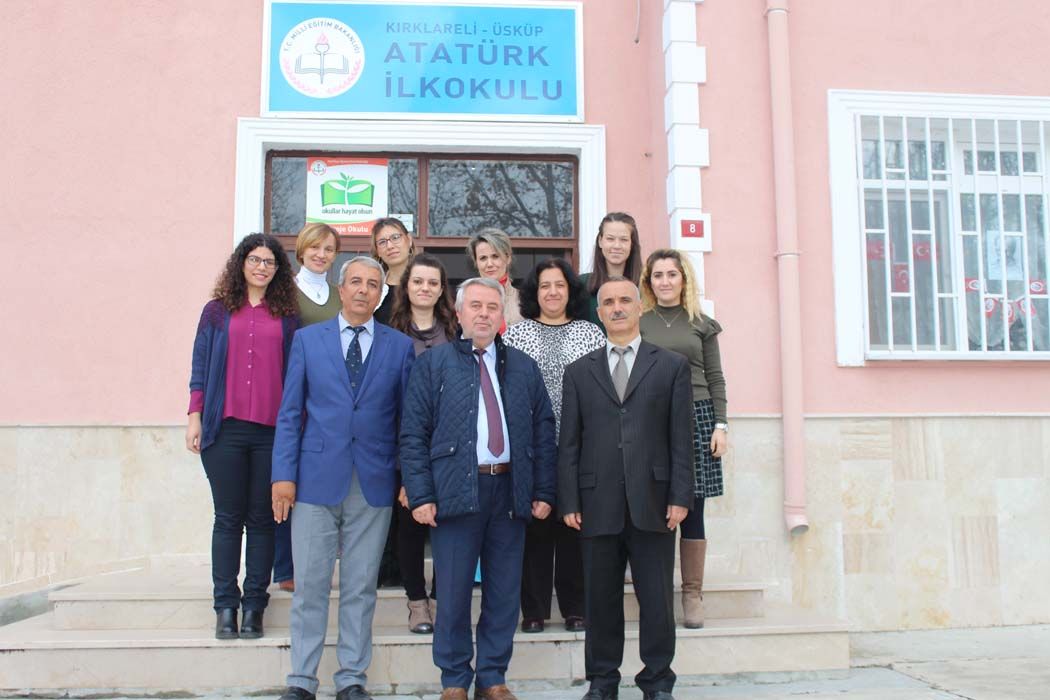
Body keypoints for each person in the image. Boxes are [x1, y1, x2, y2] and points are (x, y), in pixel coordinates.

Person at [400, 277, 557, 700]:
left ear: (502, 315)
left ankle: (492, 677)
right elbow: (413, 434)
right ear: (459, 312)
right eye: (476, 306)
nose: (484, 314)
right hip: (456, 491)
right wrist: (421, 494)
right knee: (452, 593)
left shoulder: (523, 366)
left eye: (492, 307)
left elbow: (543, 431)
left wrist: (543, 490)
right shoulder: (433, 365)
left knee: (504, 592)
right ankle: (454, 680)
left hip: (509, 491)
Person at [271, 256, 415, 700]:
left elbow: (407, 421)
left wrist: (409, 478)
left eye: (372, 284)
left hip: (373, 481)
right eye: (355, 282)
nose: (363, 290)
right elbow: (290, 412)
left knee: (360, 587)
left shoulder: (399, 347)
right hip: (313, 479)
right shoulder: (307, 340)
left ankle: (351, 678)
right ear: (340, 288)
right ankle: (301, 680)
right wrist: (282, 475)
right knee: (310, 586)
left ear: (380, 294)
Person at [558, 277, 695, 700]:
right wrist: (569, 498)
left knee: (657, 599)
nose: (617, 308)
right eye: (608, 303)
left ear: (639, 308)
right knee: (600, 600)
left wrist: (680, 496)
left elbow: (681, 438)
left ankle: (657, 681)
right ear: (599, 314)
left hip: (654, 501)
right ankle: (602, 681)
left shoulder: (671, 366)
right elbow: (570, 442)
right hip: (596, 502)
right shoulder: (578, 372)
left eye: (624, 301)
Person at [186, 233, 300, 640]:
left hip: (272, 433)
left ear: (278, 270)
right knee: (228, 519)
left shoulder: (287, 316)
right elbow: (200, 366)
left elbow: (296, 374)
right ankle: (225, 606)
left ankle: (254, 606)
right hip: (224, 430)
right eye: (255, 259)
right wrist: (194, 416)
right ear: (241, 263)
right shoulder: (217, 312)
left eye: (269, 262)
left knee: (263, 520)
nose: (261, 267)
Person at [504, 259, 605, 634]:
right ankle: (534, 610)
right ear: (535, 291)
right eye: (545, 285)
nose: (552, 292)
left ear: (570, 291)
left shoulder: (590, 334)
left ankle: (575, 607)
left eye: (559, 285)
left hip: (579, 445)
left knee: (573, 526)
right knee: (535, 527)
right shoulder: (515, 336)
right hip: (530, 447)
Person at [639, 249, 728, 629]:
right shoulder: (640, 323)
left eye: (671, 274)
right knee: (655, 503)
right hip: (651, 418)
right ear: (649, 282)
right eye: (657, 275)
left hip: (698, 414)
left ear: (683, 279)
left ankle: (692, 594)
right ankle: (657, 590)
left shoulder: (701, 323)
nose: (665, 281)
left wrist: (721, 425)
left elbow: (716, 376)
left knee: (693, 505)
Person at [386, 254, 459, 633]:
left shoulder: (456, 331)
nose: (425, 288)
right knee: (411, 525)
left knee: (448, 527)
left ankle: (442, 598)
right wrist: (404, 470)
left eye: (433, 282)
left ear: (441, 289)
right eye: (418, 281)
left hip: (450, 446)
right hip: (405, 444)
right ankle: (417, 602)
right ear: (407, 286)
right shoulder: (390, 332)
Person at [272, 222, 341, 594]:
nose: (321, 254)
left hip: (326, 402)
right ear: (301, 250)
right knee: (288, 482)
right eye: (315, 247)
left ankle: (317, 563)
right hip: (291, 396)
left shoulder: (338, 295)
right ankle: (286, 567)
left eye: (328, 249)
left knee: (316, 485)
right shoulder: (284, 293)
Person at [578, 212, 643, 332]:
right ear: (600, 241)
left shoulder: (646, 286)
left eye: (624, 239)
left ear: (632, 244)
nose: (617, 245)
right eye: (610, 239)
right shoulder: (581, 285)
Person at [466, 228, 522, 330]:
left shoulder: (524, 301)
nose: (489, 264)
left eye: (495, 256)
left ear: (508, 258)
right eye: (483, 258)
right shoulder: (465, 301)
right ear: (476, 263)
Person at [371, 217, 416, 325]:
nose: (390, 246)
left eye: (395, 238)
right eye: (382, 242)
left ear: (409, 240)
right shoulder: (374, 289)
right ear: (378, 251)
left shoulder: (426, 285)